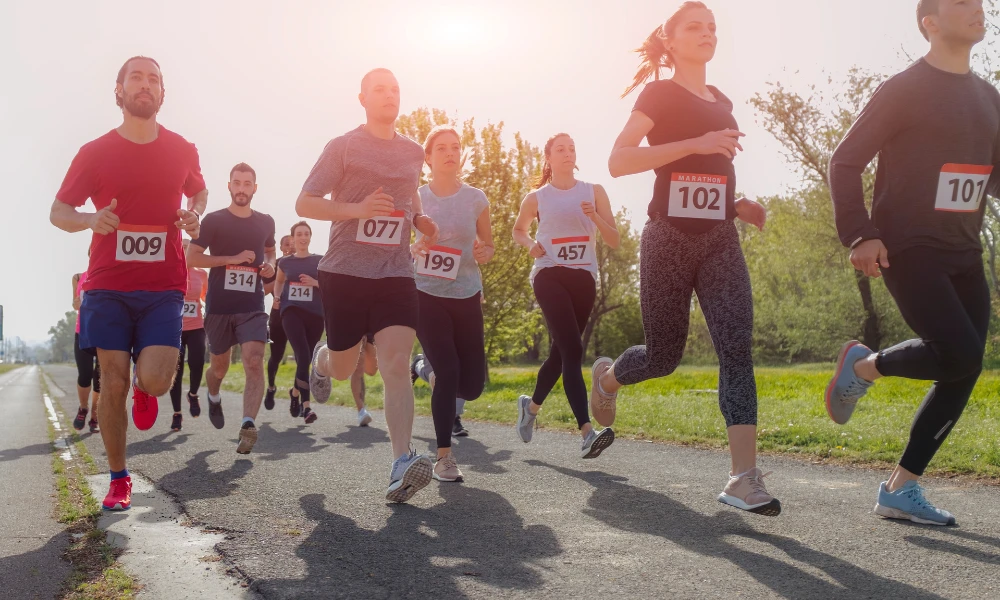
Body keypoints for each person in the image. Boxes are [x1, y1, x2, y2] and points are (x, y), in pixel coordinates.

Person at [593, 2, 779, 516]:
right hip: (668, 239)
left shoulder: (723, 101)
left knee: (736, 346)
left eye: (713, 27)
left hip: (719, 238)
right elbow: (620, 158)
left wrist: (738, 204)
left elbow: (709, 176)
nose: (707, 33)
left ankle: (743, 477)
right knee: (663, 357)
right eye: (694, 27)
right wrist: (694, 141)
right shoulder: (659, 93)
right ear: (670, 41)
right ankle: (608, 378)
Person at [826, 0, 997, 526]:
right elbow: (845, 160)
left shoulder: (989, 98)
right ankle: (863, 367)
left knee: (964, 368)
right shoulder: (904, 88)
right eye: (962, 3)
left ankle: (901, 488)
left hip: (964, 250)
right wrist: (860, 233)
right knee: (962, 353)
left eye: (980, 2)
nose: (978, 8)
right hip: (908, 245)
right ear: (930, 21)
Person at [50, 56, 206, 510]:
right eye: (135, 77)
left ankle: (147, 386)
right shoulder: (94, 152)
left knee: (155, 380)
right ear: (118, 91)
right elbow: (58, 212)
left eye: (153, 78)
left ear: (162, 93)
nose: (145, 84)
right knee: (111, 382)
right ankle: (119, 478)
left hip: (163, 286)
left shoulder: (181, 148)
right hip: (107, 286)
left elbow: (198, 188)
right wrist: (89, 219)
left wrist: (193, 211)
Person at [296, 68, 440, 503]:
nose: (389, 95)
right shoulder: (343, 146)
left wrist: (418, 218)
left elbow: (408, 192)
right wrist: (357, 209)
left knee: (396, 364)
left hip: (395, 272)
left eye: (395, 89)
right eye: (379, 89)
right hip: (344, 273)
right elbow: (306, 202)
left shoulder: (414, 151)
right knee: (343, 368)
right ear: (362, 98)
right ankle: (319, 364)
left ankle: (400, 463)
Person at [512, 133, 620, 459]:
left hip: (584, 278)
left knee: (561, 355)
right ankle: (587, 432)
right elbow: (518, 229)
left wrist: (595, 216)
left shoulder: (594, 191)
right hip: (548, 273)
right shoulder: (537, 197)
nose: (567, 153)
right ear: (548, 157)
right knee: (573, 348)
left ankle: (530, 408)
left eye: (572, 148)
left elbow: (613, 239)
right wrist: (531, 245)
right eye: (560, 149)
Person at [407, 125, 494, 482]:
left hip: (466, 292)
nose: (449, 153)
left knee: (471, 385)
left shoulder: (477, 198)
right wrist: (413, 247)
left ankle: (421, 368)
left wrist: (483, 251)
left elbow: (488, 247)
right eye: (441, 148)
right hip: (425, 292)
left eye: (455, 147)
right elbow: (400, 243)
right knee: (448, 371)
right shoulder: (416, 197)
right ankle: (444, 457)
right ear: (427, 157)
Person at [188, 163, 276, 454]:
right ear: (229, 186)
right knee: (220, 367)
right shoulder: (213, 221)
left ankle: (248, 424)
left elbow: (271, 251)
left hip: (252, 305)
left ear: (255, 188)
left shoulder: (265, 222)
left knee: (254, 360)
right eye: (236, 183)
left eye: (247, 183)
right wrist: (232, 258)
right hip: (219, 307)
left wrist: (269, 267)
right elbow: (191, 257)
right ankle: (212, 394)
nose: (241, 188)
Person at [272, 222, 325, 424]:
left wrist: (315, 283)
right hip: (291, 311)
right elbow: (278, 281)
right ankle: (306, 407)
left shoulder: (320, 261)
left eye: (306, 234)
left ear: (310, 237)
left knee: (307, 359)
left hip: (315, 314)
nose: (302, 237)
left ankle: (294, 392)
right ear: (292, 238)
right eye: (298, 234)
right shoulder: (285, 262)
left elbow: (330, 285)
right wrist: (277, 296)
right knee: (302, 355)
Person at [168, 239, 208, 431]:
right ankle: (177, 413)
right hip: (174, 328)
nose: (185, 251)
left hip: (197, 326)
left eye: (188, 248)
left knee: (197, 361)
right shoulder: (169, 271)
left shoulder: (201, 274)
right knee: (176, 371)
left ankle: (192, 394)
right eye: (181, 247)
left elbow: (207, 298)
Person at [263, 234, 293, 411]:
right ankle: (271, 387)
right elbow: (264, 289)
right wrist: (280, 280)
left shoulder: (306, 263)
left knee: (303, 355)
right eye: (287, 244)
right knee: (276, 356)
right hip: (278, 315)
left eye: (293, 243)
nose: (290, 247)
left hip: (300, 316)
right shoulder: (275, 266)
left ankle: (297, 393)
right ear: (281, 248)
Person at [71, 269, 100, 433]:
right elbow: (75, 303)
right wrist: (75, 304)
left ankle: (95, 417)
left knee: (100, 377)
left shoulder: (110, 274)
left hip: (104, 332)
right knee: (85, 374)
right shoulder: (78, 277)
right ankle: (83, 408)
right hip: (82, 331)